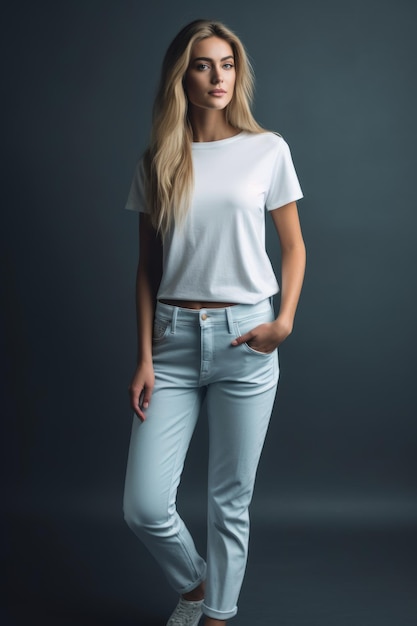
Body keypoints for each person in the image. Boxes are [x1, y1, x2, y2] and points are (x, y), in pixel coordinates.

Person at [123, 18, 306, 626]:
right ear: (183, 75)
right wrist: (146, 356)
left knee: (231, 501)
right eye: (203, 64)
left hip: (247, 339)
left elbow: (294, 247)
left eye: (227, 64)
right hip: (172, 342)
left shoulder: (267, 149)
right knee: (145, 506)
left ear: (238, 72)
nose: (217, 77)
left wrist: (283, 322)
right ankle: (196, 584)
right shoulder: (159, 160)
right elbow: (148, 266)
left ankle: (218, 617)